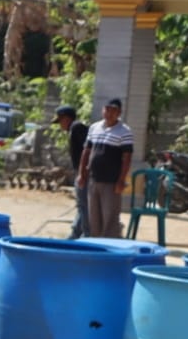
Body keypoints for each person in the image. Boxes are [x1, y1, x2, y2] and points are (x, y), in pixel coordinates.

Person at [80, 98, 134, 239]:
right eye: (107, 109)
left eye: (113, 111)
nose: (109, 113)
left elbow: (127, 158)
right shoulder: (94, 127)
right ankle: (96, 244)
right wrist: (82, 174)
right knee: (94, 217)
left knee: (110, 217)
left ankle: (111, 244)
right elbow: (86, 151)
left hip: (111, 182)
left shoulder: (124, 131)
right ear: (103, 110)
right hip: (93, 179)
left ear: (119, 113)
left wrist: (121, 180)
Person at [55, 105, 91, 238]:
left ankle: (85, 234)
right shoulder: (74, 128)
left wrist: (83, 172)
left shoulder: (77, 128)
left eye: (60, 121)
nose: (60, 125)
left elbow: (87, 150)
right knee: (82, 205)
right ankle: (76, 233)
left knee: (84, 205)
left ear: (66, 118)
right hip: (80, 172)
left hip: (84, 173)